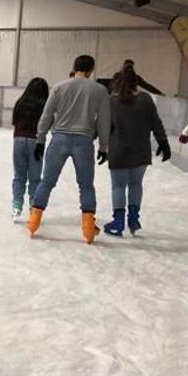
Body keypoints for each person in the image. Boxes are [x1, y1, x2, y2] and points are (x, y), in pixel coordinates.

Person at [28, 55, 110, 244]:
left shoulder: (59, 87)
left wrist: (40, 139)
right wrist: (104, 146)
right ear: (91, 70)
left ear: (74, 67)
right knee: (86, 184)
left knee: (47, 181)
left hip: (59, 139)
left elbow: (47, 114)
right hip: (84, 141)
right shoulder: (99, 90)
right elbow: (105, 120)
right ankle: (88, 229)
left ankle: (34, 221)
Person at [102, 65, 170, 237]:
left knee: (118, 186)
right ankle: (133, 218)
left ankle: (118, 221)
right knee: (135, 184)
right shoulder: (146, 99)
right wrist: (163, 142)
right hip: (141, 151)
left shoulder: (111, 100)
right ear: (136, 82)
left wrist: (100, 145)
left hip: (118, 150)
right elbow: (156, 122)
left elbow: (104, 125)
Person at [10, 78, 49, 222]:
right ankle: (34, 207)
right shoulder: (44, 106)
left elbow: (14, 121)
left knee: (19, 176)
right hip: (36, 141)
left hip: (18, 140)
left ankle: (16, 206)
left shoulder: (20, 103)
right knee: (35, 178)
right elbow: (47, 124)